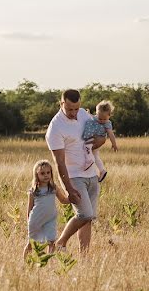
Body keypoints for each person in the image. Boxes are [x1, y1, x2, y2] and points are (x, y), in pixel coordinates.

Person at [45, 89, 106, 252]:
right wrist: (69, 189)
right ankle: (60, 243)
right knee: (84, 214)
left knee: (89, 218)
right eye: (70, 109)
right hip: (74, 177)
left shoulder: (84, 115)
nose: (73, 113)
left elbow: (99, 136)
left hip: (91, 174)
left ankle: (84, 256)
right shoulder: (56, 127)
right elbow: (59, 162)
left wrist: (101, 140)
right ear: (61, 104)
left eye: (76, 108)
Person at [23, 159, 69, 260]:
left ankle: (49, 261)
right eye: (42, 173)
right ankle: (25, 262)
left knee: (51, 241)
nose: (46, 175)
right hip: (36, 221)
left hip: (50, 220)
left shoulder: (53, 188)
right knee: (31, 243)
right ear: (37, 175)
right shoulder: (34, 191)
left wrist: (73, 198)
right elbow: (29, 209)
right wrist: (28, 222)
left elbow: (63, 200)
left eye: (48, 173)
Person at [82, 100, 118, 182]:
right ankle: (102, 170)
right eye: (99, 118)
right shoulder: (95, 118)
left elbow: (111, 134)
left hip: (96, 140)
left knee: (87, 147)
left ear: (109, 116)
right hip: (93, 139)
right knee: (96, 156)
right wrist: (88, 113)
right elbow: (91, 117)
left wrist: (114, 144)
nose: (101, 120)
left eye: (104, 119)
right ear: (97, 113)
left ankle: (89, 161)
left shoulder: (107, 124)